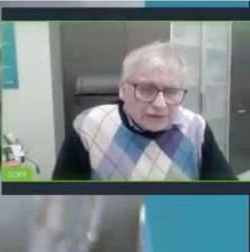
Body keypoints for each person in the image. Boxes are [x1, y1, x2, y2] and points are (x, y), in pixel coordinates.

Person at [52, 41, 235, 181]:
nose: (160, 104)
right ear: (122, 90)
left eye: (171, 92)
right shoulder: (88, 126)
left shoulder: (196, 127)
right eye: (146, 89)